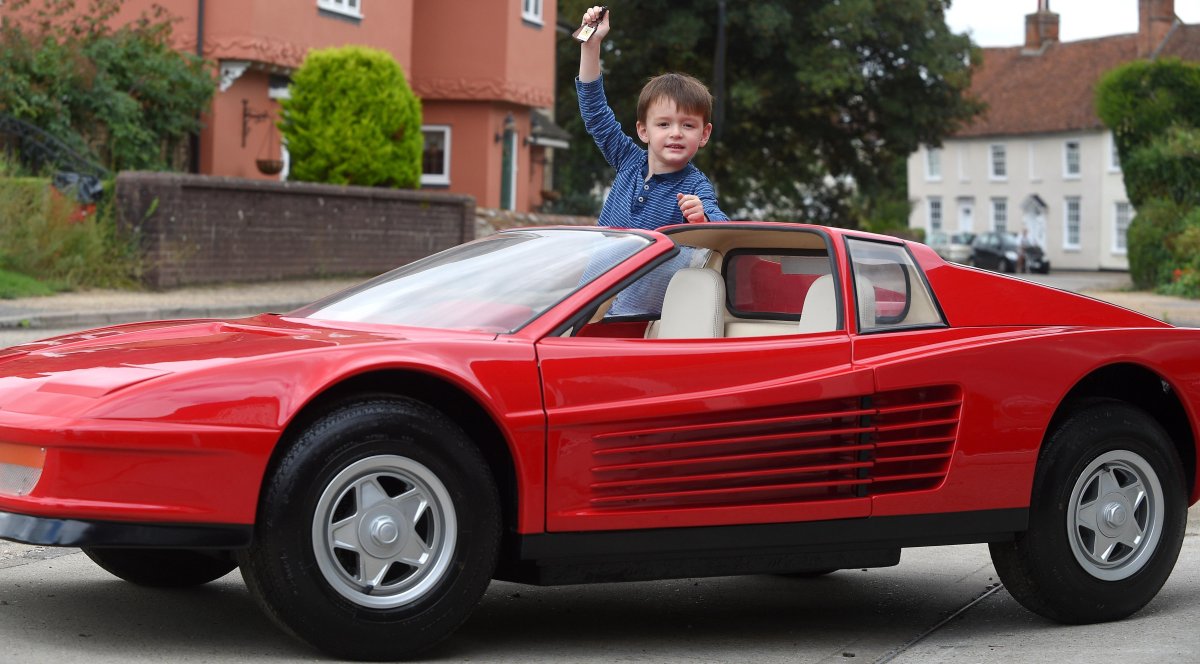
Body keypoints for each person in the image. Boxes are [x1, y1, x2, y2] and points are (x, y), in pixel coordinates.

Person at [576, 6, 729, 229]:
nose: (675, 133)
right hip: (606, 265)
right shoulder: (627, 159)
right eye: (664, 124)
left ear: (704, 134)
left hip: (650, 266)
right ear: (643, 130)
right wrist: (591, 45)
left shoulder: (695, 186)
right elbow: (595, 113)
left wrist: (702, 218)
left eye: (687, 125)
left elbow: (723, 226)